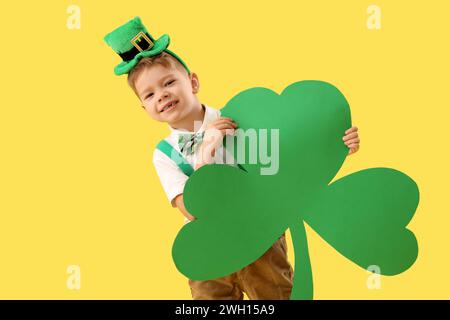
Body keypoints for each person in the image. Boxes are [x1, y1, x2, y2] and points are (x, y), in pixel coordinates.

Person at [104, 16, 360, 300]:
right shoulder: (164, 155)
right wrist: (204, 157)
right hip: (208, 251)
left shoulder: (241, 119)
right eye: (149, 94)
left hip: (262, 236)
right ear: (144, 108)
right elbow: (191, 209)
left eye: (168, 83)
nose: (161, 96)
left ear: (193, 82)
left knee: (274, 296)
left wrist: (334, 145)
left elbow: (288, 161)